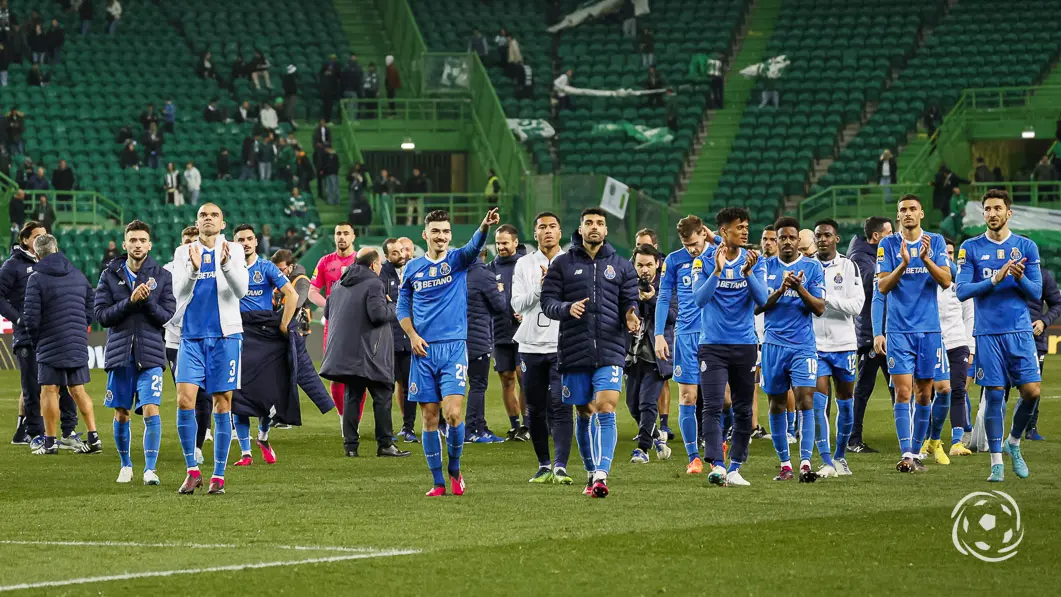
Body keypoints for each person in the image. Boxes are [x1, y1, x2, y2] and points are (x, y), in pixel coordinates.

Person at [397, 208, 500, 496]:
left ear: (450, 235)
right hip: (423, 351)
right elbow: (402, 306)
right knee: (429, 418)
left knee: (453, 414)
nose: (441, 236)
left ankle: (454, 468)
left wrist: (484, 225)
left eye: (446, 231)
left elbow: (473, 247)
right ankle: (438, 482)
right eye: (436, 231)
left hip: (454, 348)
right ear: (425, 234)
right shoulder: (413, 268)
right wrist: (412, 335)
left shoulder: (457, 261)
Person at [541, 208, 639, 498]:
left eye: (599, 223)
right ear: (580, 229)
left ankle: (601, 474)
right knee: (583, 412)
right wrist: (566, 308)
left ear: (606, 230)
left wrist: (631, 315)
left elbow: (629, 300)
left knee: (606, 408)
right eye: (588, 223)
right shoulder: (562, 265)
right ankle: (589, 470)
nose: (594, 227)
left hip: (610, 349)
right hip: (574, 349)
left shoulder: (622, 266)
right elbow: (548, 303)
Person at [956, 189, 1043, 482]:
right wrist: (994, 278)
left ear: (1009, 213)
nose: (992, 214)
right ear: (983, 214)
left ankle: (1014, 442)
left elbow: (1037, 293)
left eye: (997, 208)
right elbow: (961, 290)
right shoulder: (970, 247)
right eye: (988, 209)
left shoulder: (1026, 247)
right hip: (988, 333)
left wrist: (1019, 277)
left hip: (1019, 330)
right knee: (994, 396)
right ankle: (996, 462)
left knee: (1032, 393)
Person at [170, 203, 249, 495]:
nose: (208, 219)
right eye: (203, 215)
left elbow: (240, 291)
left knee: (222, 402)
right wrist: (192, 269)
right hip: (190, 336)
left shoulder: (234, 250)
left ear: (223, 223)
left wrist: (226, 265)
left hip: (226, 337)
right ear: (197, 221)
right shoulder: (183, 252)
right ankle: (192, 469)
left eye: (214, 215)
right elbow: (177, 292)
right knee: (184, 400)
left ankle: (218, 475)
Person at [875, 194, 951, 473]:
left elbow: (945, 280)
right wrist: (904, 265)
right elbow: (882, 287)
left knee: (923, 394)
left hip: (929, 330)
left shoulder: (936, 242)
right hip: (899, 331)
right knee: (903, 393)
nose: (907, 214)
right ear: (898, 216)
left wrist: (925, 260)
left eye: (912, 209)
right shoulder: (887, 244)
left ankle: (916, 454)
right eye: (902, 210)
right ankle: (907, 453)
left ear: (921, 214)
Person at [94, 220, 174, 484]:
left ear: (149, 244)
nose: (138, 245)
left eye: (142, 240)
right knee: (122, 412)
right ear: (125, 243)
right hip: (120, 353)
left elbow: (165, 316)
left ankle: (150, 469)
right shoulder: (109, 275)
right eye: (133, 240)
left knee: (151, 408)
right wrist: (129, 302)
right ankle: (125, 464)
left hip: (150, 354)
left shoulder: (162, 277)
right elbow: (101, 316)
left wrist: (147, 300)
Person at [692, 208, 768, 487]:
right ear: (724, 231)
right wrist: (717, 271)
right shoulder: (702, 261)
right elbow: (700, 299)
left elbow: (762, 301)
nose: (745, 231)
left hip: (745, 344)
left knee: (743, 409)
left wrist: (747, 274)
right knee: (712, 407)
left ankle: (736, 467)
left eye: (747, 226)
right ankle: (718, 465)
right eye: (739, 227)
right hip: (712, 345)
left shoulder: (755, 261)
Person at [320, 248, 411, 458]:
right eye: (379, 265)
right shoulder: (374, 283)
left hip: (347, 353)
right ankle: (385, 444)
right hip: (372, 352)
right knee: (382, 396)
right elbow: (378, 315)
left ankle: (350, 446)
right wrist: (392, 305)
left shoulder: (338, 284)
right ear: (373, 265)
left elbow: (327, 312)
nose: (380, 268)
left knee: (352, 396)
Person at [1, 221, 81, 449]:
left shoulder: (53, 263)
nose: (41, 240)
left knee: (64, 385)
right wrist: (18, 319)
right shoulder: (12, 266)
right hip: (27, 335)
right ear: (25, 240)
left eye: (45, 236)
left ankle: (68, 431)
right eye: (37, 236)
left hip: (53, 334)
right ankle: (34, 433)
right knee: (33, 387)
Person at [757, 217, 825, 483]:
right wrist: (781, 289)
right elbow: (758, 305)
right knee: (776, 403)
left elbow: (819, 308)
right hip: (773, 344)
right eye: (780, 238)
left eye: (790, 237)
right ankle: (785, 464)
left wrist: (799, 288)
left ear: (798, 240)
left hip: (802, 346)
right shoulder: (765, 266)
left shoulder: (812, 267)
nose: (786, 242)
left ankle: (805, 462)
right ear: (774, 241)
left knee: (805, 399)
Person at [24, 233, 101, 455]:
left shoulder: (36, 278)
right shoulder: (77, 274)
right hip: (76, 340)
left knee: (49, 389)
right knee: (77, 389)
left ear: (36, 254)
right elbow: (91, 306)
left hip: (49, 341)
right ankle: (93, 437)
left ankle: (49, 442)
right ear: (56, 249)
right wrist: (78, 328)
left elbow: (30, 318)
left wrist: (37, 341)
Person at [511, 212, 574, 484]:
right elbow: (517, 305)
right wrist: (541, 287)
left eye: (552, 227)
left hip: (562, 344)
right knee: (535, 409)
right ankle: (543, 465)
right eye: (542, 228)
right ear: (534, 234)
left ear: (560, 232)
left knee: (561, 405)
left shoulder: (573, 262)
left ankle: (560, 466)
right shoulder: (524, 264)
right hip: (530, 344)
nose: (547, 231)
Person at [230, 224, 298, 466]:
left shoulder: (266, 267)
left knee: (266, 395)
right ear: (233, 242)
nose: (245, 243)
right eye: (240, 239)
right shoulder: (228, 267)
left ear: (256, 242)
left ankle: (263, 437)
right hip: (237, 334)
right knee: (238, 395)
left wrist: (283, 324)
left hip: (265, 337)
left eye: (249, 239)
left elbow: (293, 294)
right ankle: (245, 452)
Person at [655, 215, 717, 473]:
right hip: (687, 335)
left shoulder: (720, 253)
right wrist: (659, 333)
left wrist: (717, 239)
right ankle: (694, 457)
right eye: (686, 243)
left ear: (704, 233)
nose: (691, 248)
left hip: (716, 334)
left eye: (694, 242)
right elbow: (663, 296)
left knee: (721, 398)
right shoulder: (673, 260)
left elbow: (743, 252)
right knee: (688, 396)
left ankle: (718, 444)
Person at [810, 218, 864, 477]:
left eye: (827, 235)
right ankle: (826, 459)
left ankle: (841, 456)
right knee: (818, 404)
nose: (822, 239)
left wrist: (825, 299)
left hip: (844, 345)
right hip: (815, 346)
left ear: (836, 239)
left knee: (845, 405)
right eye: (818, 235)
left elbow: (857, 307)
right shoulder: (807, 267)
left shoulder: (849, 266)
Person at [164, 226, 213, 465]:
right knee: (187, 397)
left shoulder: (212, 268)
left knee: (205, 397)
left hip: (206, 339)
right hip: (176, 341)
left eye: (196, 241)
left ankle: (197, 446)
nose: (191, 245)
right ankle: (190, 444)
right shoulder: (168, 270)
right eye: (187, 241)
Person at [846, 216, 893, 452]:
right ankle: (853, 438)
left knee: (899, 386)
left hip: (888, 329)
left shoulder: (874, 255)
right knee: (864, 388)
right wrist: (890, 272)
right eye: (889, 233)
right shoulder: (860, 258)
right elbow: (867, 283)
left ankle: (911, 438)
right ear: (876, 237)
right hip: (870, 333)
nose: (894, 237)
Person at [626, 244, 674, 464]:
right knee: (632, 405)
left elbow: (674, 314)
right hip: (632, 352)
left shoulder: (667, 284)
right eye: (639, 265)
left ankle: (642, 449)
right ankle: (656, 437)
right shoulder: (627, 285)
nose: (644, 269)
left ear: (657, 264)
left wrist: (654, 300)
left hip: (657, 353)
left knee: (647, 402)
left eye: (648, 264)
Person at [309, 223, 358, 415]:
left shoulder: (360, 261)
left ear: (353, 237)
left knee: (357, 375)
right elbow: (313, 292)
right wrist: (329, 305)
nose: (342, 237)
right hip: (334, 326)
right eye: (338, 233)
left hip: (358, 326)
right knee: (335, 375)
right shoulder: (325, 261)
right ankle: (342, 417)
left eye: (346, 233)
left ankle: (353, 419)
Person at [487, 225, 530, 441]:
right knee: (506, 379)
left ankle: (528, 424)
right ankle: (514, 425)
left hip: (523, 333)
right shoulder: (490, 268)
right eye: (498, 243)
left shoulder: (527, 265)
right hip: (500, 331)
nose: (501, 247)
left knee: (524, 377)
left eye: (505, 243)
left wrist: (527, 313)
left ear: (515, 242)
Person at [935, 238, 975, 458]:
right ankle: (931, 439)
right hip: (933, 344)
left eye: (951, 253)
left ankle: (957, 441)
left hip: (958, 343)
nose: (948, 257)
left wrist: (971, 348)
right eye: (945, 253)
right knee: (932, 393)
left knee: (958, 390)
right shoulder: (930, 280)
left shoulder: (961, 283)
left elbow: (970, 316)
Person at [464, 249, 509, 443]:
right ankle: (472, 430)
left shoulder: (457, 274)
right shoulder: (484, 275)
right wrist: (501, 290)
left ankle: (478, 427)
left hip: (457, 339)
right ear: (483, 256)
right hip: (478, 338)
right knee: (478, 385)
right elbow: (499, 306)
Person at [379, 238, 417, 442]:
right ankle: (386, 431)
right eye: (395, 253)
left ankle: (408, 427)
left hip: (411, 341)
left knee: (411, 386)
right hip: (389, 342)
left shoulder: (413, 270)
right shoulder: (381, 275)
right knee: (386, 387)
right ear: (386, 256)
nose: (401, 255)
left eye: (402, 251)